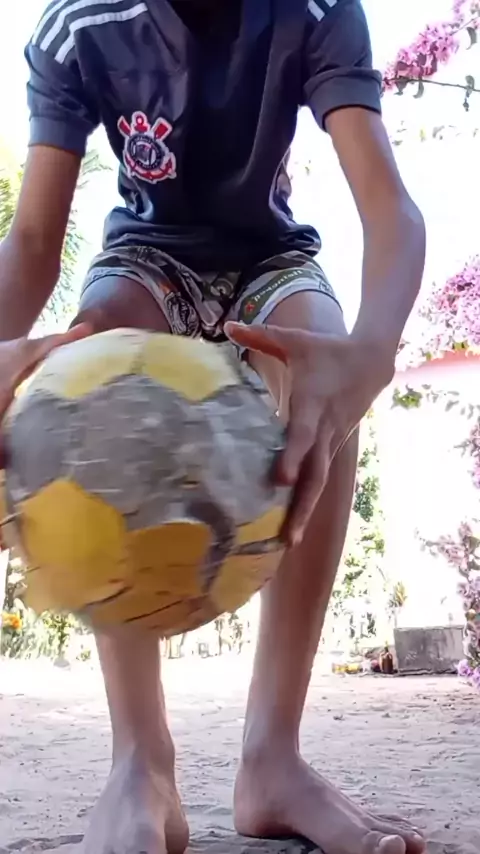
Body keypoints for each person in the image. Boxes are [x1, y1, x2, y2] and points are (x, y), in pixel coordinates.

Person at [0, 0, 427, 852]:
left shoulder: (316, 12)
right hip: (144, 256)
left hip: (272, 258)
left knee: (321, 359)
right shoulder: (78, 27)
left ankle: (273, 758)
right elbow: (37, 236)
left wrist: (370, 352)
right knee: (101, 353)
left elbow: (391, 211)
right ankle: (139, 760)